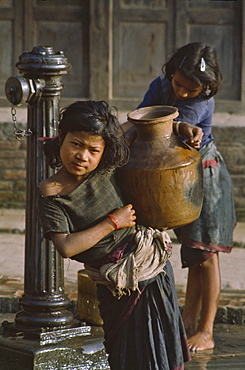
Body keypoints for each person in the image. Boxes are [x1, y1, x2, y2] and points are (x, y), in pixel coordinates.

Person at [38, 100, 202, 369]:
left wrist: (182, 127)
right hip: (116, 284)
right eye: (76, 144)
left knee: (159, 348)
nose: (83, 156)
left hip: (149, 269)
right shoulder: (52, 191)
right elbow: (66, 246)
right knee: (126, 352)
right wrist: (113, 222)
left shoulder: (107, 166)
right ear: (61, 140)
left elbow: (143, 125)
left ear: (104, 151)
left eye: (93, 149)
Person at [136, 42, 236, 352]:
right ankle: (188, 322)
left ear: (205, 88)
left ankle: (206, 330)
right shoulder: (162, 84)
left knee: (206, 256)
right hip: (179, 177)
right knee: (192, 253)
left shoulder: (203, 98)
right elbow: (142, 115)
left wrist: (181, 127)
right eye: (178, 84)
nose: (181, 93)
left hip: (204, 178)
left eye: (190, 90)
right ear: (171, 73)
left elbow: (174, 128)